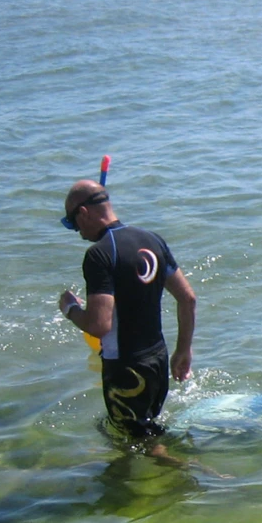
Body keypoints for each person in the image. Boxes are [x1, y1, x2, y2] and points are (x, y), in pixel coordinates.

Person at [58, 180, 196, 438]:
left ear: (84, 213)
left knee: (135, 443)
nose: (76, 231)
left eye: (72, 222)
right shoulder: (152, 239)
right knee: (144, 433)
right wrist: (184, 350)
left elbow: (99, 326)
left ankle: (200, 471)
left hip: (127, 369)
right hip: (158, 360)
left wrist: (70, 308)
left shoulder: (99, 255)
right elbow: (188, 299)